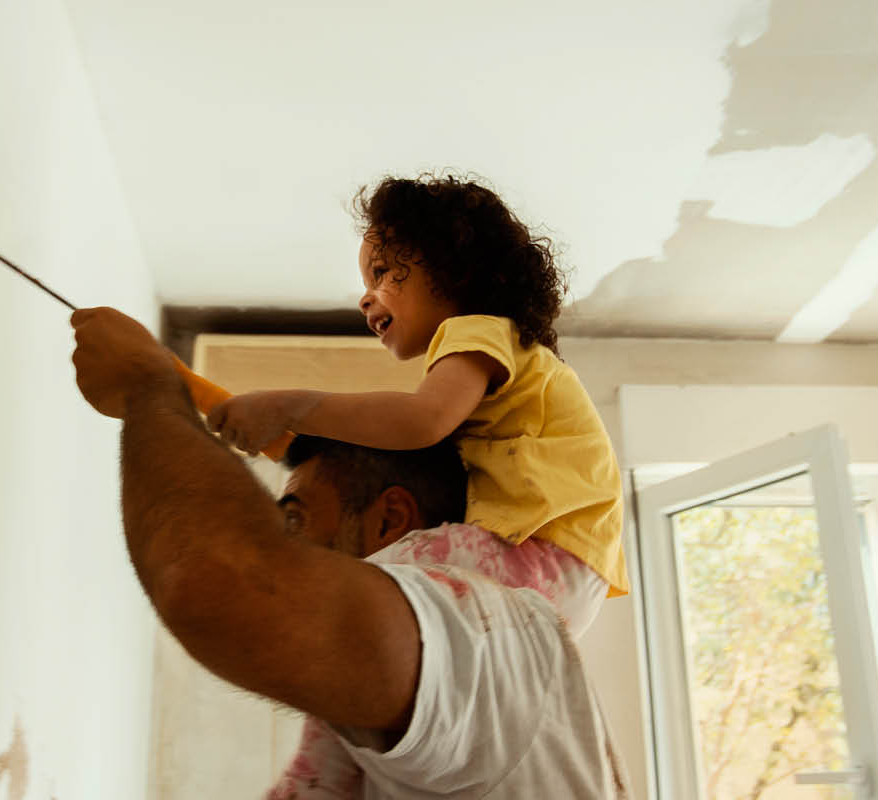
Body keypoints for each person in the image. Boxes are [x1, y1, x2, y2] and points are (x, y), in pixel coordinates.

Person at [69, 308, 629, 798]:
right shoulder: (440, 660)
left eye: (295, 519)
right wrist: (181, 387)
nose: (284, 544)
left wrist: (150, 386)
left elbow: (218, 585)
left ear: (391, 519)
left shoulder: (490, 639)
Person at [205, 175, 631, 609]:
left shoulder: (477, 331)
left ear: (452, 269)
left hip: (547, 557)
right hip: (565, 572)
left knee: (369, 582)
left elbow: (420, 420)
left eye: (382, 273)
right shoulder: (501, 357)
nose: (365, 299)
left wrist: (289, 408)